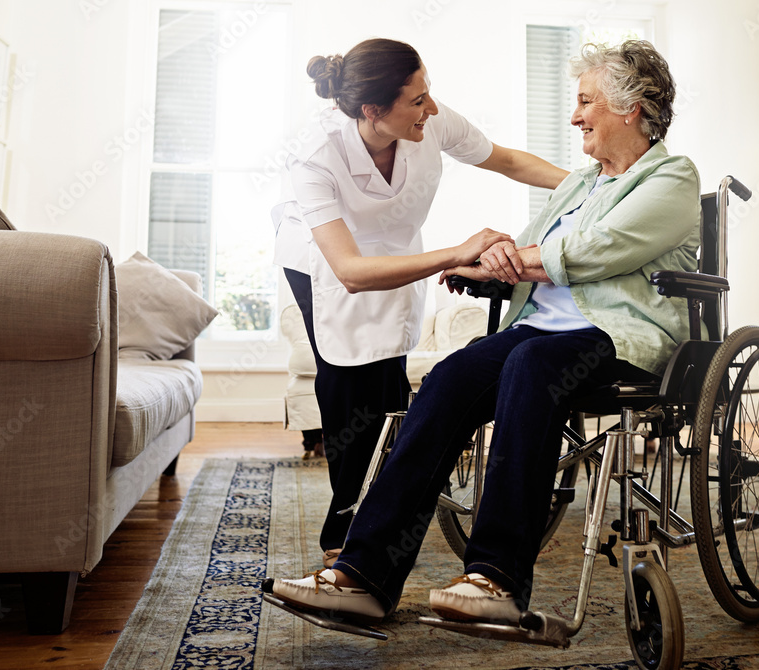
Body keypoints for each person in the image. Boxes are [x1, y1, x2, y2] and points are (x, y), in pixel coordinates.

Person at [267, 39, 701, 626]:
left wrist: (500, 258)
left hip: (612, 336)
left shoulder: (671, 177)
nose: (574, 116)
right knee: (448, 378)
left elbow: (591, 250)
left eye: (585, 102)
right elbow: (526, 253)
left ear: (631, 109)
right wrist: (478, 264)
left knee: (531, 366)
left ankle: (495, 577)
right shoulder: (580, 183)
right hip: (537, 331)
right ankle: (362, 574)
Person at [272, 37, 568, 569]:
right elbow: (351, 273)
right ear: (372, 111)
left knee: (387, 374)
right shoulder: (315, 157)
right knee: (347, 375)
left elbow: (506, 161)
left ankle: (377, 509)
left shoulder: (429, 119)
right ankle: (346, 528)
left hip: (392, 249)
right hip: (325, 259)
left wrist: (594, 187)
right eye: (417, 100)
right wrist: (456, 253)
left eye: (428, 93)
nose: (430, 108)